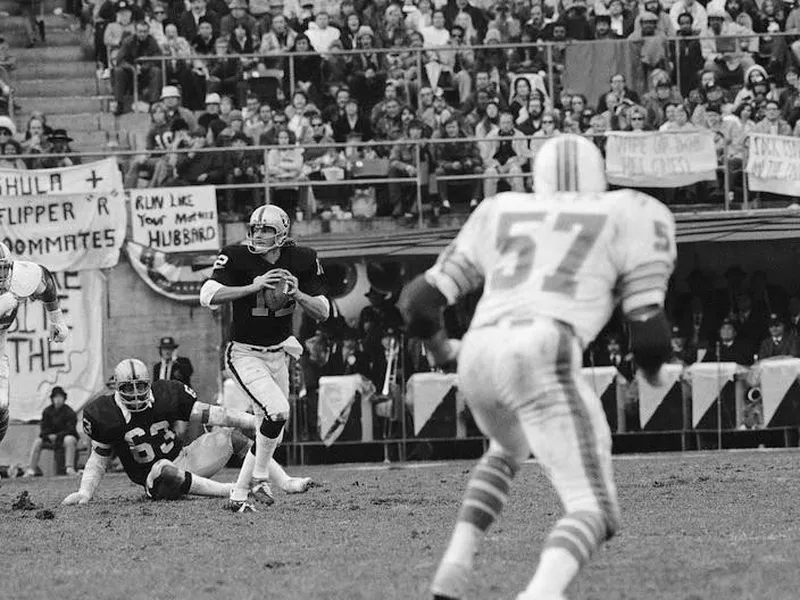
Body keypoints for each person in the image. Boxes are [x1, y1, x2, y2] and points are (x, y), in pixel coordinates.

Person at [397, 134, 677, 600]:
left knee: (507, 447)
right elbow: (648, 329)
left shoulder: (502, 208)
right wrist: (652, 374)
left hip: (480, 349)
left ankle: (454, 566)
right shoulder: (632, 211)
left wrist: (444, 350)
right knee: (594, 511)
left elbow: (418, 302)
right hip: (544, 345)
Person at [199, 205, 330, 511]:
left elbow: (323, 310)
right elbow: (207, 295)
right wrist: (252, 287)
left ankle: (240, 494)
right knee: (278, 412)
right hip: (244, 352)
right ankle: (260, 478)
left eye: (266, 229)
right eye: (255, 228)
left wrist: (298, 294)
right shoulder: (236, 255)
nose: (258, 234)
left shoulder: (303, 259)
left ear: (282, 232)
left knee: (272, 429)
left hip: (279, 351)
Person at [62, 358, 311, 507]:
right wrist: (85, 491)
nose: (136, 392)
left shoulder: (165, 393)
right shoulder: (104, 413)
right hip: (156, 480)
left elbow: (214, 414)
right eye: (129, 387)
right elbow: (98, 459)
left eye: (141, 386)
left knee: (230, 436)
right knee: (161, 467)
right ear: (117, 386)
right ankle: (233, 489)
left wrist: (257, 421)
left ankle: (284, 482)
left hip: (186, 456)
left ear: (149, 382)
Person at [0, 242, 69, 444]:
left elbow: (45, 280)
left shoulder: (19, 277)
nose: (1, 274)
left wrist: (56, 319)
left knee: (1, 405)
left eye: (3, 267)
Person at [24, 386, 79, 477]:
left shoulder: (70, 412)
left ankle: (69, 468)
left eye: (60, 397)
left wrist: (58, 436)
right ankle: (31, 469)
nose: (58, 400)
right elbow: (43, 428)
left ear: (64, 398)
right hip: (50, 440)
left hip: (63, 440)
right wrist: (48, 436)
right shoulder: (47, 411)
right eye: (56, 397)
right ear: (52, 399)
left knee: (69, 439)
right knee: (38, 442)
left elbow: (71, 430)